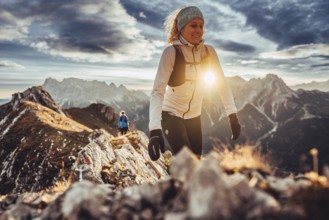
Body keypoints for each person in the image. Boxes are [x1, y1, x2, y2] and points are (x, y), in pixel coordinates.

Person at [148, 6, 241, 161]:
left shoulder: (209, 52)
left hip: (195, 117)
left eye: (201, 25)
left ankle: (177, 180)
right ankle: (173, 184)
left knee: (196, 161)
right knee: (188, 161)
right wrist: (155, 130)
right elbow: (157, 92)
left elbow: (222, 84)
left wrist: (232, 116)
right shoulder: (171, 52)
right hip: (171, 114)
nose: (199, 30)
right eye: (193, 25)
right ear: (181, 28)